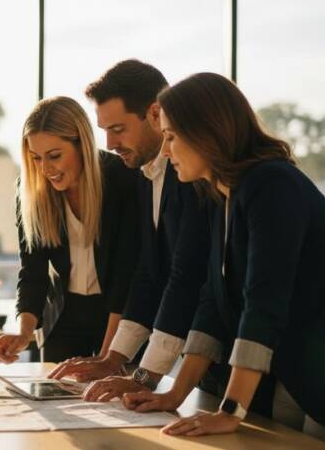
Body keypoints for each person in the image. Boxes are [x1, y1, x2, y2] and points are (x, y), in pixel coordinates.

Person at [123, 72, 325, 447]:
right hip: (301, 369)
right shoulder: (223, 194)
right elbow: (214, 302)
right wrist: (174, 394)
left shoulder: (272, 184)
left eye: (171, 137)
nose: (165, 150)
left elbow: (264, 302)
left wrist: (230, 411)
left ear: (206, 133)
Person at [48, 60, 210, 404]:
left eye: (118, 129)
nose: (109, 142)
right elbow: (148, 275)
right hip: (205, 360)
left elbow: (186, 278)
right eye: (104, 130)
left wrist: (144, 377)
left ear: (154, 114)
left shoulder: (191, 176)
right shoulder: (142, 175)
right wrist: (114, 359)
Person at [0, 96, 139, 363]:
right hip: (63, 317)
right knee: (55, 400)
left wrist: (107, 358)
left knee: (115, 400)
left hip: (118, 316)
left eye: (54, 156)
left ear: (82, 145)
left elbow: (127, 277)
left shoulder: (122, 180)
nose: (45, 169)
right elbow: (33, 272)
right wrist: (22, 333)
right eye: (35, 158)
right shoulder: (31, 192)